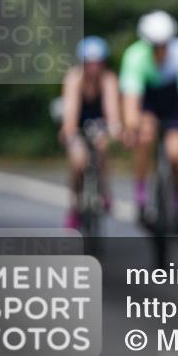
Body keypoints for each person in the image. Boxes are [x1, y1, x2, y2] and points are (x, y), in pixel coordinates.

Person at [120, 10, 178, 230]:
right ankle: (140, 197)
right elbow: (131, 101)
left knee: (176, 154)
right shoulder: (135, 56)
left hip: (174, 102)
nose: (160, 51)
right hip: (148, 101)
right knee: (145, 136)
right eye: (154, 46)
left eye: (164, 45)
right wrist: (132, 127)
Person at [59, 36, 121, 229]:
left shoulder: (108, 79)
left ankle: (104, 190)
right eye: (90, 64)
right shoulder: (73, 78)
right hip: (78, 123)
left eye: (97, 63)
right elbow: (70, 111)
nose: (94, 68)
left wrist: (113, 128)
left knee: (102, 149)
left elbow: (112, 111)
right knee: (78, 162)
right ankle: (75, 205)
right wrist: (69, 132)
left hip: (99, 123)